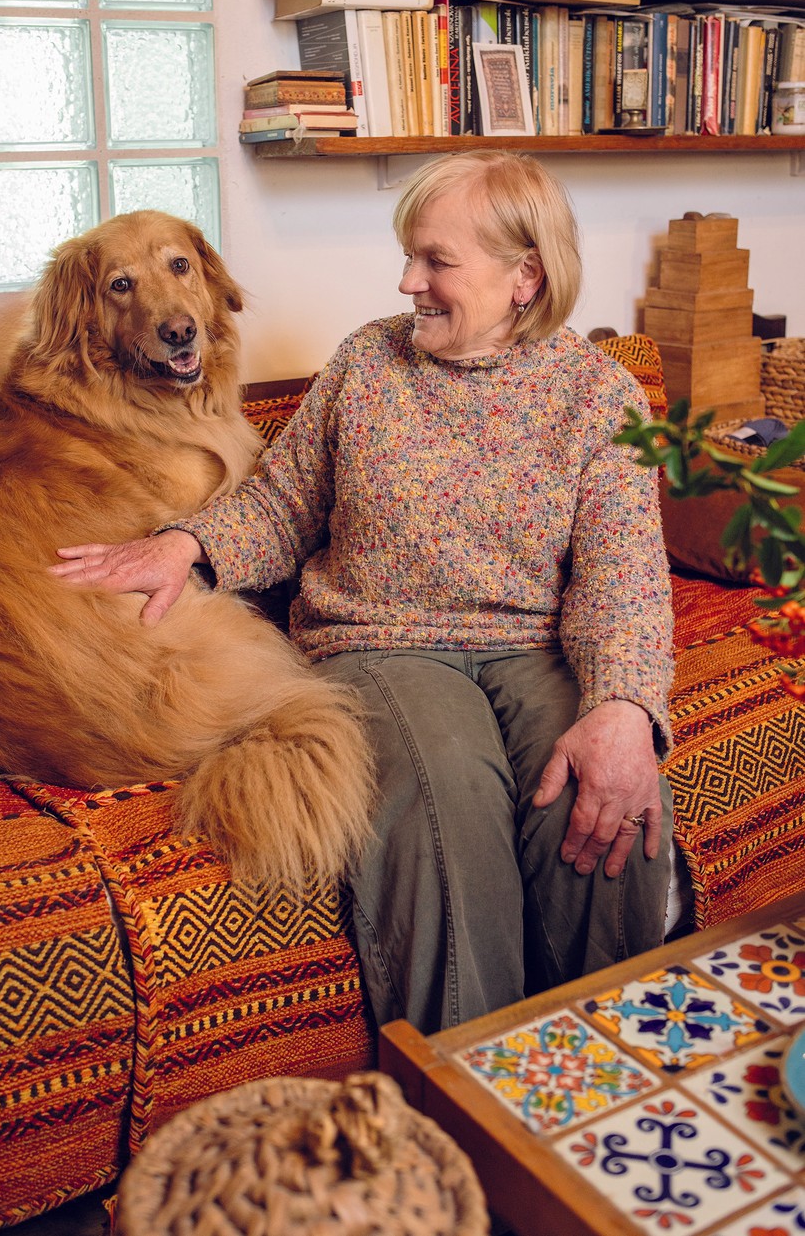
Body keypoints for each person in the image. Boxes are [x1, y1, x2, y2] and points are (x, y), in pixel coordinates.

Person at [51, 150, 675, 1035]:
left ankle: (612, 1064)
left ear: (525, 277)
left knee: (606, 799)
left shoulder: (601, 397)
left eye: (435, 260)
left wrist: (625, 706)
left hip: (533, 645)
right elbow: (282, 502)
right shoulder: (369, 362)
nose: (407, 281)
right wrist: (187, 545)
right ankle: (462, 1087)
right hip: (380, 642)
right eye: (409, 255)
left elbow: (626, 579)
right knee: (447, 804)